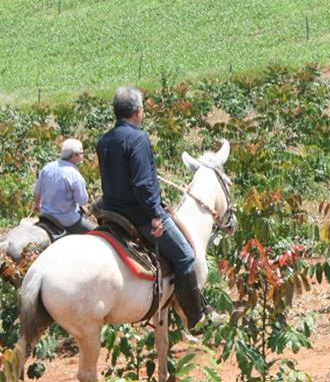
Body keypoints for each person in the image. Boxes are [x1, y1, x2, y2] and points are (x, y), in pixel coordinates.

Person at [97, 86, 216, 332]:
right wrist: (154, 216)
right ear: (138, 112)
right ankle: (195, 316)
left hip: (111, 214)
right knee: (185, 256)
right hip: (138, 215)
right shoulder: (138, 139)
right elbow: (142, 185)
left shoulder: (104, 141)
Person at [34, 138, 95, 234]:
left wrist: (37, 205)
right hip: (68, 220)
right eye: (81, 153)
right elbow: (82, 200)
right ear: (74, 155)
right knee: (96, 234)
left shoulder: (47, 167)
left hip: (46, 216)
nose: (83, 156)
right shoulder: (74, 175)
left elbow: (37, 191)